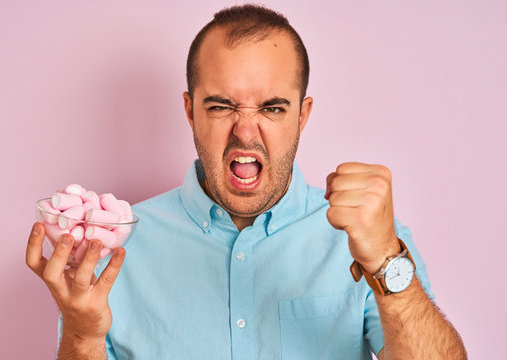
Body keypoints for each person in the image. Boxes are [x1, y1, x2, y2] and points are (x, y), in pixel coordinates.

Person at [26, 4, 467, 359]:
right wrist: (83, 338)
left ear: (302, 116)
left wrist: (387, 261)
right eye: (221, 106)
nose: (245, 130)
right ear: (190, 111)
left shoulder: (367, 243)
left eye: (273, 108)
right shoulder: (112, 250)